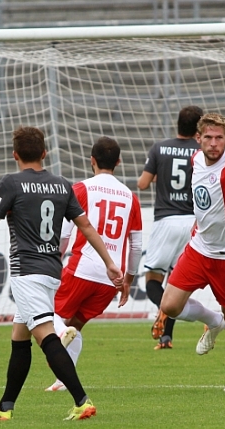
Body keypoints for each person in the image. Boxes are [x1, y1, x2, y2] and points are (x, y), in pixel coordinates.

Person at [0, 126, 122, 421]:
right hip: (52, 270)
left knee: (46, 335)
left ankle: (82, 401)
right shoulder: (61, 184)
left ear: (15, 154)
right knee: (20, 336)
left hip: (26, 270)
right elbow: (85, 226)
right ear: (44, 153)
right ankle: (5, 406)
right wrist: (109, 262)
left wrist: (4, 207)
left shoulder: (11, 183)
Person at [159, 112, 225, 391]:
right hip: (199, 248)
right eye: (209, 137)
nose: (214, 143)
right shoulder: (195, 160)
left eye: (220, 138)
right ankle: (213, 322)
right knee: (170, 306)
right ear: (198, 138)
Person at [45, 136, 142, 392]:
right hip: (111, 278)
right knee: (75, 326)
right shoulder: (131, 197)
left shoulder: (81, 189)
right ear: (118, 162)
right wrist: (128, 280)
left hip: (82, 268)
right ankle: (63, 381)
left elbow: (64, 233)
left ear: (92, 160)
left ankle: (60, 340)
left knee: (47, 314)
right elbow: (136, 245)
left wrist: (55, 260)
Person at [138, 105, 204, 350]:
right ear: (199, 127)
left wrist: (160, 175)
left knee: (152, 280)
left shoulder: (159, 148)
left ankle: (162, 312)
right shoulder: (201, 151)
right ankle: (166, 338)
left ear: (178, 123)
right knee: (176, 284)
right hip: (193, 223)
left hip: (166, 221)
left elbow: (142, 184)